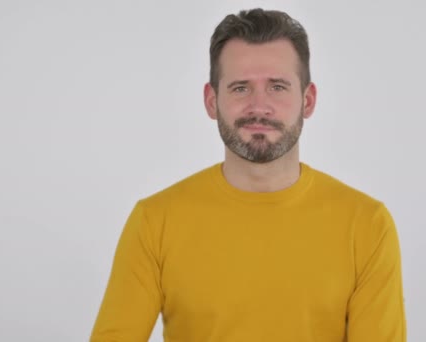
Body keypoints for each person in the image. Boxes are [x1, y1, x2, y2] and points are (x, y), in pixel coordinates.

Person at [90, 8, 406, 342]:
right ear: (212, 101)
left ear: (308, 100)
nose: (259, 106)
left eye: (278, 87)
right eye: (240, 88)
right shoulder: (154, 222)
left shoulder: (367, 225)